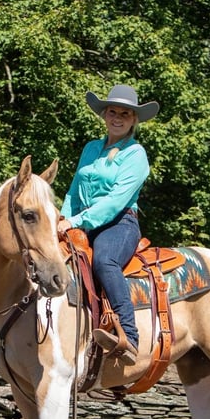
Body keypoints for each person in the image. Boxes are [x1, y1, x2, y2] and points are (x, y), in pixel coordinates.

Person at [57, 84, 159, 366]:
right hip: (83, 222)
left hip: (119, 223)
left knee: (104, 260)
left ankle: (129, 336)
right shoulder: (91, 148)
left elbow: (115, 201)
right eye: (112, 111)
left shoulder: (135, 154)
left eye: (125, 113)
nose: (117, 117)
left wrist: (76, 221)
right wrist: (62, 221)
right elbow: (73, 190)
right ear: (104, 115)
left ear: (134, 119)